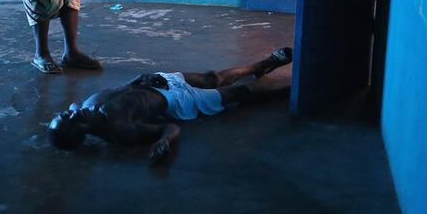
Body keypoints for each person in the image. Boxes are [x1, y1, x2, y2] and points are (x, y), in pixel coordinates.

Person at [47, 47, 293, 161]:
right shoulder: (121, 130)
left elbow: (123, 89)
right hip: (178, 101)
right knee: (237, 94)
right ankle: (289, 92)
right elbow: (169, 128)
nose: (73, 111)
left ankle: (264, 64)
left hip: (157, 83)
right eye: (73, 119)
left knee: (212, 77)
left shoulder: (88, 105)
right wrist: (165, 141)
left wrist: (140, 79)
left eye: (67, 113)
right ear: (81, 132)